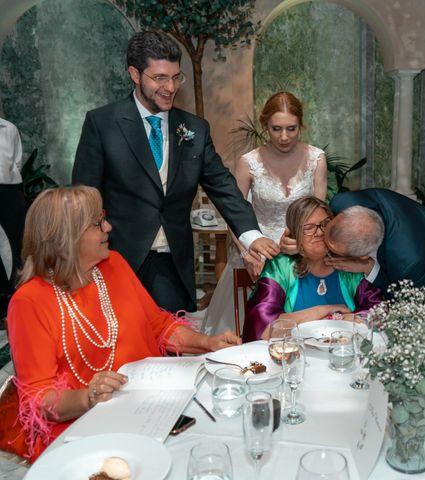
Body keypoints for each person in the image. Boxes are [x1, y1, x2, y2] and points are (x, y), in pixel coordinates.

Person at [2, 186, 241, 461]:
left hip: (153, 408)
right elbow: (40, 399)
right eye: (97, 223)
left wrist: (207, 343)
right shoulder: (29, 302)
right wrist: (88, 396)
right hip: (83, 429)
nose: (108, 227)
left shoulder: (113, 264)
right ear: (66, 237)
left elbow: (160, 326)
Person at [72, 31, 277, 313]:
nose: (170, 87)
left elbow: (223, 186)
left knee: (173, 347)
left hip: (173, 264)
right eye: (159, 78)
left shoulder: (195, 128)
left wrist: (251, 236)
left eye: (176, 77)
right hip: (117, 261)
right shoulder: (102, 123)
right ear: (135, 74)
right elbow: (83, 198)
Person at [202, 92, 327, 335]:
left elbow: (319, 216)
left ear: (301, 125)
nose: (283, 136)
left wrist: (302, 246)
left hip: (303, 256)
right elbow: (234, 213)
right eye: (276, 128)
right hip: (257, 256)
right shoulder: (249, 162)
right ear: (264, 126)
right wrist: (247, 252)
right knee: (252, 329)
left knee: (306, 330)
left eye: (291, 129)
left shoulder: (316, 159)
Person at [243, 196, 381, 342]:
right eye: (309, 228)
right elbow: (263, 329)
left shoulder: (348, 265)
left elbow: (378, 315)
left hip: (343, 356)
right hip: (295, 357)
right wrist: (325, 311)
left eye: (325, 224)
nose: (320, 233)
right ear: (294, 234)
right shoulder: (280, 266)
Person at [302, 188, 425, 296]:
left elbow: (407, 304)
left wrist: (370, 269)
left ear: (361, 257)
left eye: (333, 250)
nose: (322, 241)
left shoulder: (410, 263)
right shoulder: (341, 202)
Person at [0, 117, 28, 317]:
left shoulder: (8, 128)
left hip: (9, 194)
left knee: (18, 249)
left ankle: (18, 303)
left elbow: (16, 162)